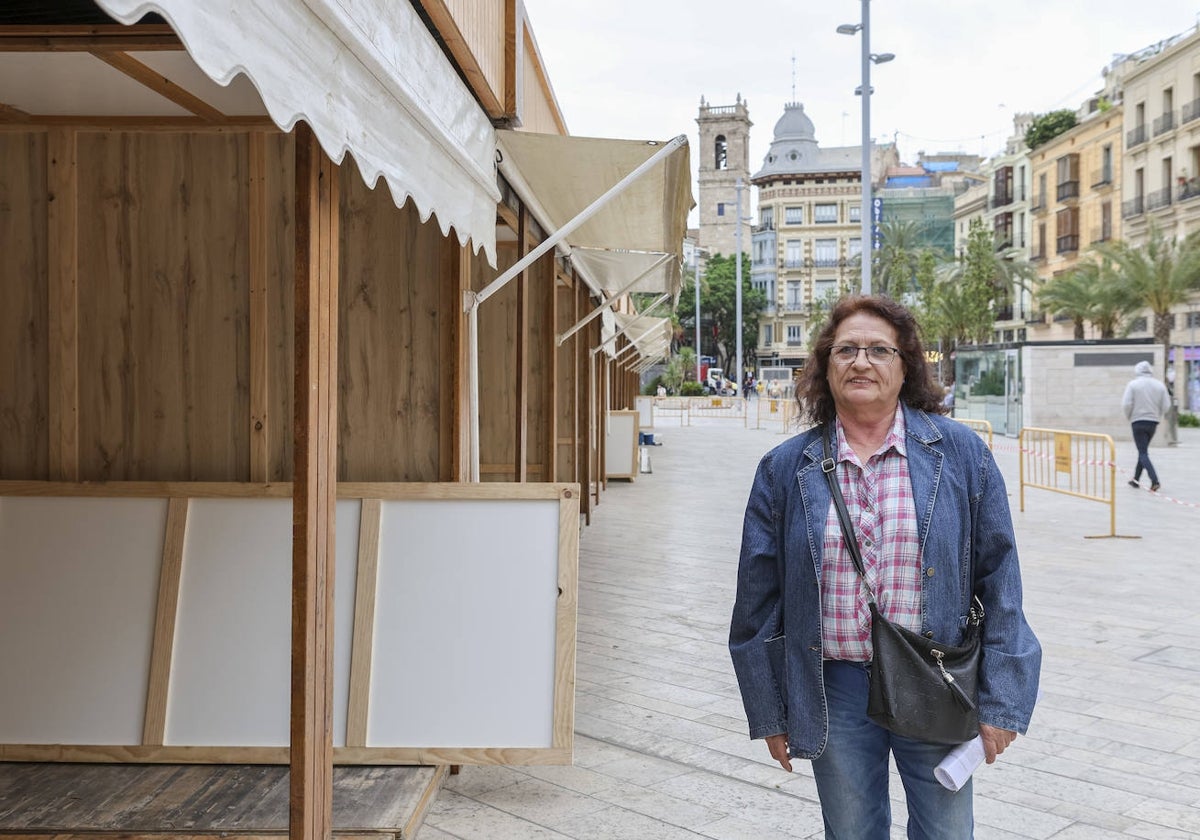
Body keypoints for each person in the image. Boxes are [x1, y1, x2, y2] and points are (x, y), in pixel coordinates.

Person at [729, 295, 1041, 839]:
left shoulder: (961, 454)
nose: (861, 361)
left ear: (905, 367)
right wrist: (771, 710)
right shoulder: (785, 469)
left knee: (946, 832)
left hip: (936, 678)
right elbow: (758, 601)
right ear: (826, 367)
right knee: (851, 831)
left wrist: (1004, 699)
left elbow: (1001, 578)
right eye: (846, 349)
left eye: (879, 350)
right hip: (834, 685)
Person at [1122, 360, 1171, 492]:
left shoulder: (1133, 385)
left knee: (1143, 452)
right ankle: (1135, 480)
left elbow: (1126, 404)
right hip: (1153, 423)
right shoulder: (1159, 385)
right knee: (1142, 451)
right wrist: (1157, 415)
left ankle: (1154, 480)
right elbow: (1166, 405)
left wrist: (1130, 416)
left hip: (1138, 422)